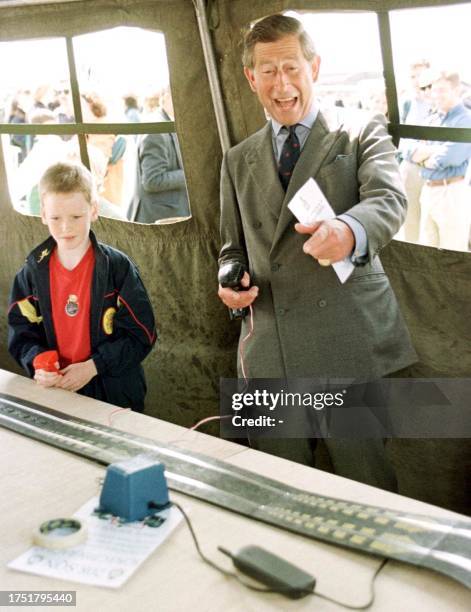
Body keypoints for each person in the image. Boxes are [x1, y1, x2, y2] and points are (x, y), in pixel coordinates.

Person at [217, 14, 416, 490]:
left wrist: (348, 231)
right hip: (269, 351)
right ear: (251, 78)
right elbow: (231, 247)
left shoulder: (360, 130)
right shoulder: (237, 158)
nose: (281, 84)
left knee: (365, 486)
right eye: (268, 71)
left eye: (291, 68)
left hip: (346, 341)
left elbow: (389, 201)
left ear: (315, 68)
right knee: (276, 488)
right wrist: (231, 281)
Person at [7, 162, 156, 412]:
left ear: (94, 210)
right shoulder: (32, 271)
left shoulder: (117, 268)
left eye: (76, 216)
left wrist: (94, 366)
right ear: (43, 215)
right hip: (56, 392)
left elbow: (142, 334)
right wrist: (38, 363)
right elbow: (20, 330)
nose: (66, 227)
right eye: (55, 218)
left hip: (113, 392)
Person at [408, 70, 471, 251]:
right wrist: (426, 154)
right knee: (427, 253)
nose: (436, 95)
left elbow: (452, 156)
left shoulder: (466, 119)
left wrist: (425, 157)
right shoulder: (432, 118)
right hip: (428, 190)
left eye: (442, 90)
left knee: (452, 255)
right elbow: (408, 146)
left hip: (451, 192)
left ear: (456, 89)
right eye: (434, 90)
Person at [128, 86, 190, 223]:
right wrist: (192, 175)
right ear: (165, 97)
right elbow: (151, 180)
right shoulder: (156, 130)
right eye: (177, 95)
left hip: (165, 215)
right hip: (158, 219)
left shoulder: (167, 122)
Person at [398, 61, 433, 242]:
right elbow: (399, 139)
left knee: (430, 226)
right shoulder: (406, 103)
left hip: (434, 169)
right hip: (411, 168)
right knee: (410, 221)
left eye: (420, 75)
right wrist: (412, 151)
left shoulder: (438, 100)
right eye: (412, 76)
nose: (416, 80)